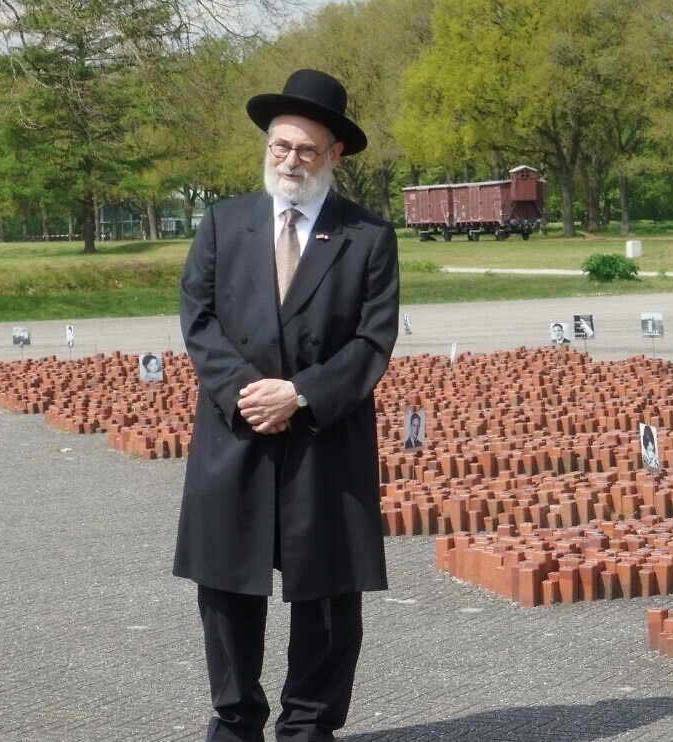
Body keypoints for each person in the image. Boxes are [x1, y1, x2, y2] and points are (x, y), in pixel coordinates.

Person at [174, 69, 400, 742]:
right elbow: (199, 317)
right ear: (266, 147)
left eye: (306, 149)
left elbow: (372, 340)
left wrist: (299, 394)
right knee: (226, 587)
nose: (290, 160)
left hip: (324, 437)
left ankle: (308, 727)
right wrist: (249, 391)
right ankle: (236, 719)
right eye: (280, 146)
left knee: (329, 595)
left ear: (334, 154)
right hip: (234, 429)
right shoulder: (223, 223)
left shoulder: (367, 236)